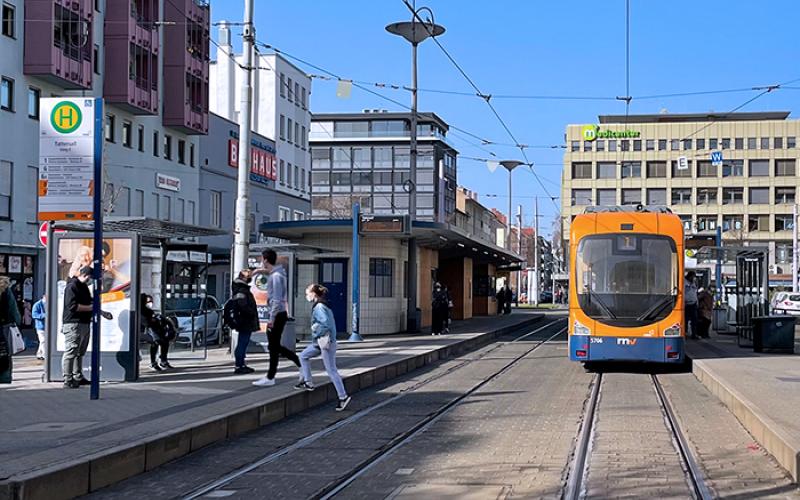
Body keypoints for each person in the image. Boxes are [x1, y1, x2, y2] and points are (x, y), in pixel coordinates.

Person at [295, 284, 351, 412]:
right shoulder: (322, 305)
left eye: (307, 293)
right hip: (319, 342)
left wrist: (315, 330)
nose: (306, 296)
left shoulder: (319, 307)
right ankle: (308, 382)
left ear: (314, 294)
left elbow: (325, 323)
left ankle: (343, 397)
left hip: (325, 342)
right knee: (303, 356)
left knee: (331, 370)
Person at [253, 249, 300, 387]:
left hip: (277, 315)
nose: (262, 262)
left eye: (262, 259)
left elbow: (277, 300)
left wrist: (271, 319)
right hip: (279, 314)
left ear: (265, 260)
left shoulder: (276, 277)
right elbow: (272, 272)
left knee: (274, 347)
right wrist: (258, 271)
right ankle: (271, 376)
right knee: (274, 347)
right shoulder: (277, 273)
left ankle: (297, 363)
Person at [62, 266, 113, 389]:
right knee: (71, 351)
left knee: (80, 352)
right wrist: (92, 308)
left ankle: (78, 376)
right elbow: (72, 307)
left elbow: (91, 303)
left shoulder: (83, 287)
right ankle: (68, 379)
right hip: (73, 323)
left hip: (84, 322)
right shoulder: (72, 286)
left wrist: (102, 312)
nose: (91, 281)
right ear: (86, 275)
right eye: (91, 278)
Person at [225, 269, 259, 375]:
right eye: (249, 276)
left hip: (243, 320)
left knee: (242, 343)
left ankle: (241, 364)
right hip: (245, 321)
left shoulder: (239, 289)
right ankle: (239, 365)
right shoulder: (242, 290)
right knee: (242, 343)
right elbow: (243, 306)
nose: (250, 278)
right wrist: (251, 313)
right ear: (244, 278)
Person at [140, 294, 173, 371]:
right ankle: (154, 362)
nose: (149, 303)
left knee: (164, 341)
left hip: (153, 330)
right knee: (156, 342)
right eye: (148, 301)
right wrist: (153, 320)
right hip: (144, 331)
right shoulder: (141, 311)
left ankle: (163, 361)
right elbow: (146, 323)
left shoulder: (148, 311)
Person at [0, 277, 22, 384]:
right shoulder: (5, 289)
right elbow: (13, 308)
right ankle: (4, 377)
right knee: (4, 352)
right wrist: (17, 322)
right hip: (4, 326)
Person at [684, 271, 699, 339]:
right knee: (685, 320)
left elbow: (695, 292)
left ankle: (694, 333)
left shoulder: (693, 283)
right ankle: (685, 333)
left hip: (693, 303)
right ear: (689, 276)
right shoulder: (684, 282)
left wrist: (696, 302)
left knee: (694, 320)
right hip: (686, 304)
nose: (693, 278)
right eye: (693, 276)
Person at [32, 294, 47, 361]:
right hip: (40, 326)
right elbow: (34, 315)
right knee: (43, 340)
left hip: (46, 326)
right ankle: (44, 354)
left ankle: (39, 353)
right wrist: (43, 315)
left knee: (43, 341)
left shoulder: (49, 304)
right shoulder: (37, 304)